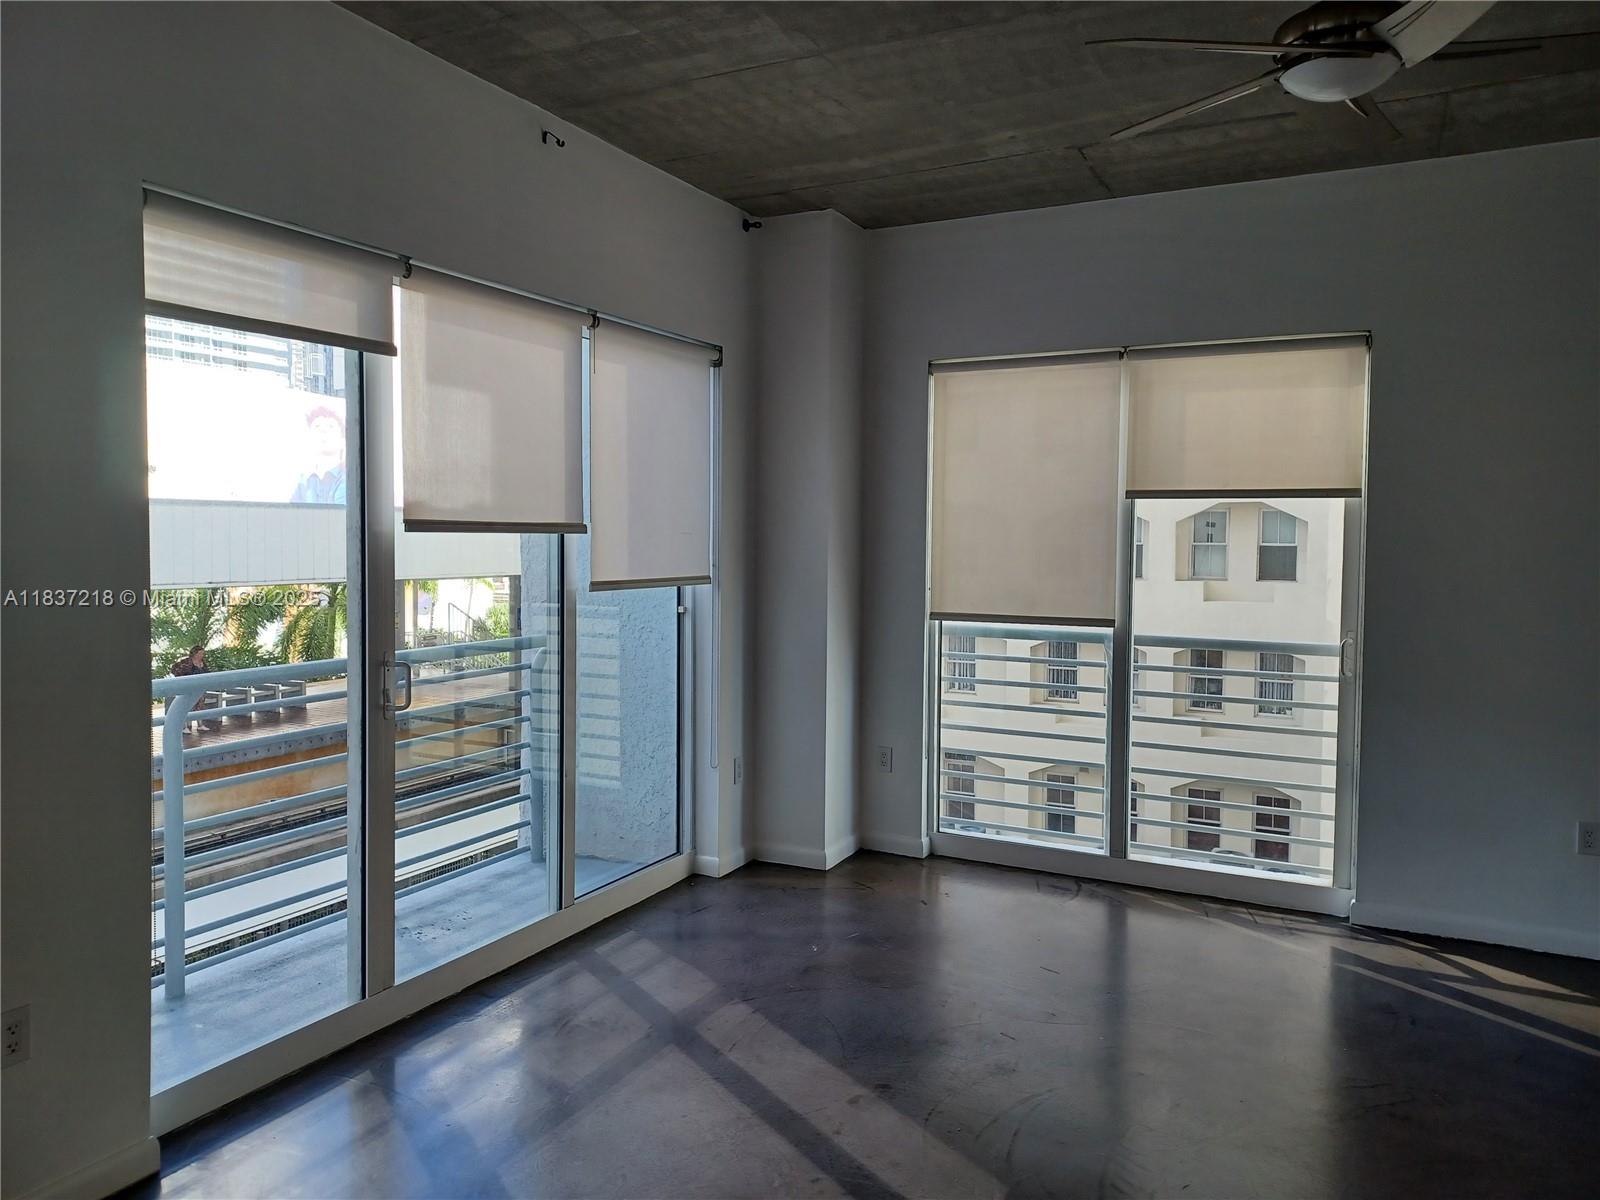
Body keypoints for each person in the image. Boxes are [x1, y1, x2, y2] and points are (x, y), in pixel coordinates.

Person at [289, 405, 347, 503]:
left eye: (331, 426)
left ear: (342, 440)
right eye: (317, 426)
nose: (323, 431)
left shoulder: (347, 478)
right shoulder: (303, 481)